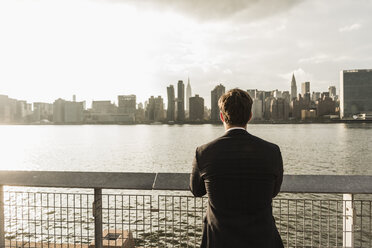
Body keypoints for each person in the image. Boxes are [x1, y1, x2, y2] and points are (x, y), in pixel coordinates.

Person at [190, 88, 284, 248]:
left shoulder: (204, 152)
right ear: (250, 116)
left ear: (221, 117)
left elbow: (196, 190)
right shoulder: (272, 151)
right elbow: (274, 191)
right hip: (263, 241)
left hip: (219, 241)